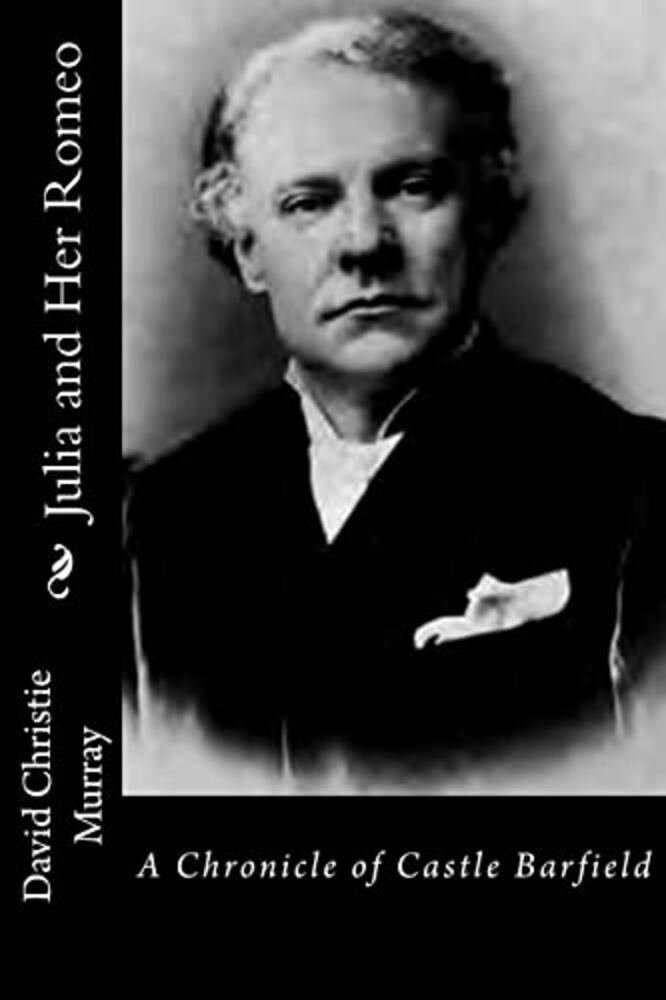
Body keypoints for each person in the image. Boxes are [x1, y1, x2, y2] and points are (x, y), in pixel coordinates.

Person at [125, 10, 664, 778]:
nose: (364, 244)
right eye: (308, 202)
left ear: (485, 215)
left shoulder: (635, 483)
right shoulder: (161, 515)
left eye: (412, 187)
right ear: (247, 251)